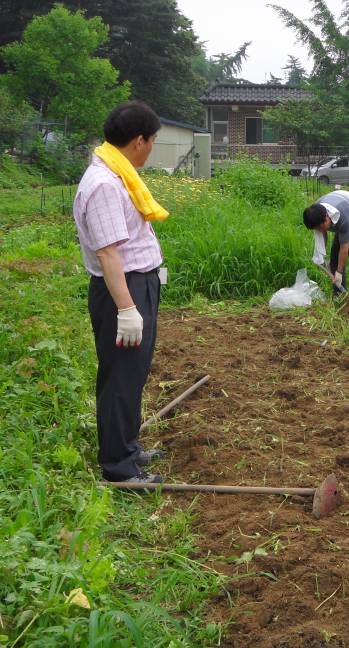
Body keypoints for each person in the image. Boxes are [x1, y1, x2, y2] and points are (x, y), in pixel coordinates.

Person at [73, 101, 167, 484]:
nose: (152, 148)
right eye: (153, 141)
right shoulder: (105, 185)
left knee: (133, 374)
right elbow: (108, 253)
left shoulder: (119, 173)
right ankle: (118, 468)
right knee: (120, 378)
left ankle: (127, 447)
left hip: (136, 285)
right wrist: (127, 308)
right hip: (122, 293)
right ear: (139, 141)